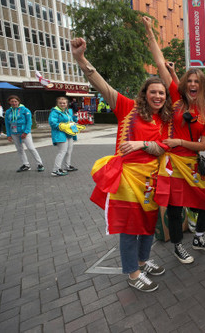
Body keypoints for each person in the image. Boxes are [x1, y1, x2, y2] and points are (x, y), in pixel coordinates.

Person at [71, 37, 171, 293]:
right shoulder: (127, 107)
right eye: (154, 92)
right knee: (129, 228)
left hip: (150, 181)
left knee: (148, 225)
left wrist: (141, 144)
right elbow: (101, 84)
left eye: (161, 93)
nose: (158, 96)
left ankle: (142, 260)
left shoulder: (164, 121)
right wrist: (81, 59)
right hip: (126, 180)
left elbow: (161, 148)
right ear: (145, 93)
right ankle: (133, 273)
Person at [142, 16, 205, 262]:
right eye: (190, 81)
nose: (193, 84)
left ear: (202, 86)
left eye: (197, 81)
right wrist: (150, 33)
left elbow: (204, 145)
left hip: (193, 163)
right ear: (185, 84)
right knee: (175, 208)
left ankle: (198, 237)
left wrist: (181, 143)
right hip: (172, 165)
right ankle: (177, 245)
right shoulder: (175, 97)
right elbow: (159, 63)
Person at [5, 95, 45, 172]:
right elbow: (7, 124)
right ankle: (26, 165)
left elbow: (29, 122)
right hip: (14, 133)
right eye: (12, 101)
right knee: (20, 149)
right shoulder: (8, 112)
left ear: (18, 102)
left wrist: (26, 132)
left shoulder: (25, 110)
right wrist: (9, 135)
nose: (14, 103)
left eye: (15, 101)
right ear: (9, 102)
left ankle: (40, 164)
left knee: (31, 148)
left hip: (24, 132)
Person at [48, 96, 79, 176]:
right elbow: (52, 123)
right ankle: (55, 170)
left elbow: (71, 120)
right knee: (62, 152)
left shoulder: (67, 111)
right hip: (60, 133)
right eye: (60, 103)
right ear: (57, 104)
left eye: (64, 103)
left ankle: (67, 166)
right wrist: (64, 126)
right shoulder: (55, 112)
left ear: (67, 104)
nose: (62, 104)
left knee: (69, 151)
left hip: (69, 133)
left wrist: (75, 118)